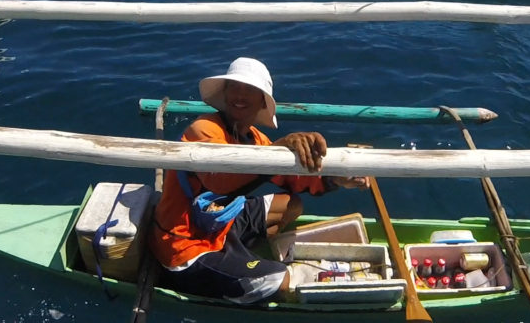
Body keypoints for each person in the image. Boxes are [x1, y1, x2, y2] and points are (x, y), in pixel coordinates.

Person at [149, 57, 369, 304]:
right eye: (235, 87)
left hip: (219, 223)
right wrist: (276, 151)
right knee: (283, 282)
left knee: (291, 205)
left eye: (250, 90)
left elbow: (293, 179)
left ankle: (239, 263)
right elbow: (220, 181)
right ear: (225, 93)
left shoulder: (256, 139)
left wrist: (335, 179)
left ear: (262, 101)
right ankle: (228, 273)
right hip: (185, 245)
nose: (240, 95)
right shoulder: (204, 129)